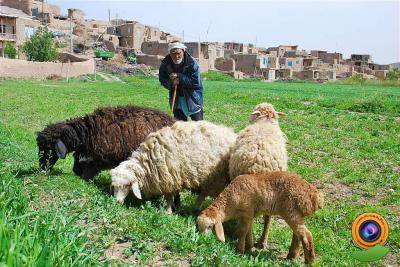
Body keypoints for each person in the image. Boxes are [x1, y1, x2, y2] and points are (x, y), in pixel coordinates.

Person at [159, 41, 204, 121]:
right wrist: (171, 83)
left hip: (192, 100)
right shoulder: (165, 64)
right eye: (173, 53)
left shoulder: (192, 63)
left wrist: (179, 76)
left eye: (178, 53)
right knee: (180, 128)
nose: (176, 56)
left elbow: (195, 83)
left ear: (183, 51)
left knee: (198, 127)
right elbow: (162, 79)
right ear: (169, 53)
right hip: (177, 101)